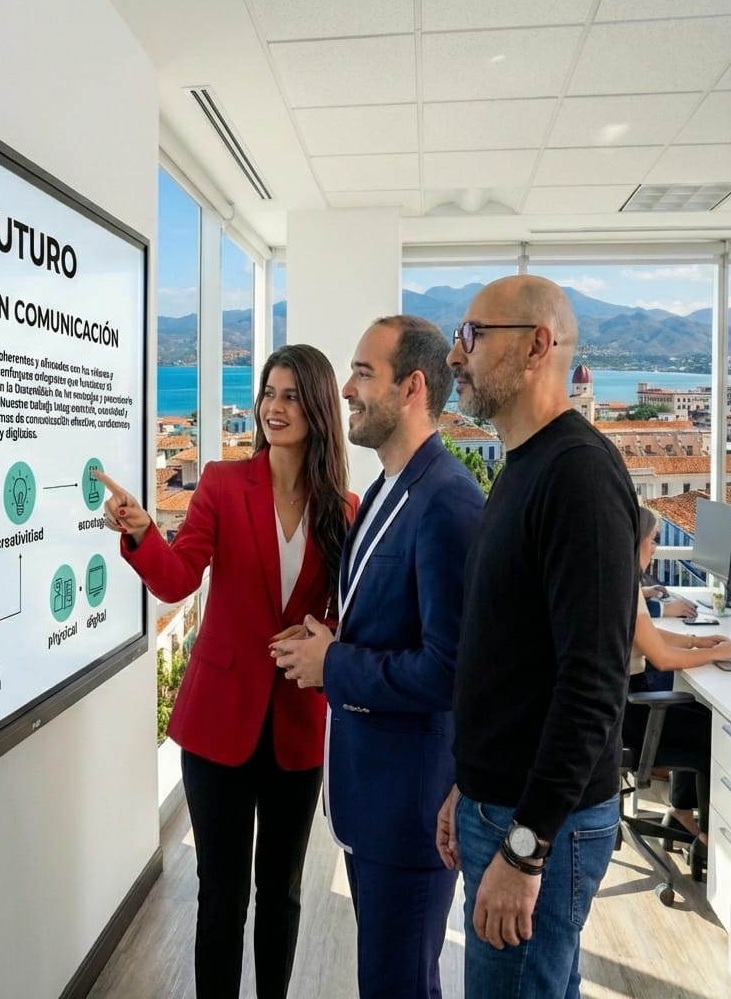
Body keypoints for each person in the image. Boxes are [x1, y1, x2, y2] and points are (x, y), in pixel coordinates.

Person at [95, 344, 356, 999]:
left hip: (298, 726)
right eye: (269, 392)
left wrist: (328, 637)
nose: (274, 406)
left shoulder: (344, 507)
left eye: (291, 395)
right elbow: (177, 579)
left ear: (318, 407)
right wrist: (142, 533)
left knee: (282, 894)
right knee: (221, 895)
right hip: (218, 727)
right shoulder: (220, 483)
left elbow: (356, 613)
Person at [435, 275, 639, 999]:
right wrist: (469, 784)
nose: (454, 356)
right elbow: (512, 658)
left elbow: (593, 684)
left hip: (539, 826)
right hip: (503, 804)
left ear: (536, 347)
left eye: (471, 336)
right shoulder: (525, 466)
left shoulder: (578, 476)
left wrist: (524, 850)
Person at [270, 316, 484, 999]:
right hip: (372, 802)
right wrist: (324, 643)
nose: (346, 389)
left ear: (413, 387)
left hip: (411, 811)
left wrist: (332, 666)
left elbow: (450, 671)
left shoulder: (448, 501)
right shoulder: (389, 490)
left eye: (363, 373)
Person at [626, 506, 731, 853]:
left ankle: (681, 811)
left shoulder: (623, 582)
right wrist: (715, 654)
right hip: (628, 718)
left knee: (699, 713)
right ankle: (708, 840)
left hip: (622, 709)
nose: (655, 549)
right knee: (713, 735)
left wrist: (697, 642)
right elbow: (662, 658)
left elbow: (648, 635)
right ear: (638, 542)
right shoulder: (627, 586)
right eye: (653, 540)